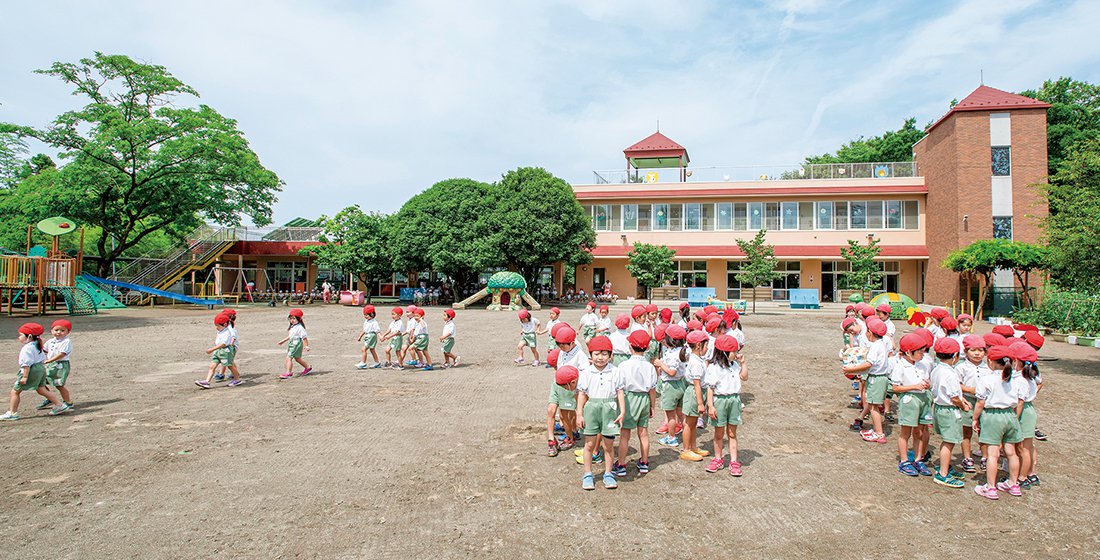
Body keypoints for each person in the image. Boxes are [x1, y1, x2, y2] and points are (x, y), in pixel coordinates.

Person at [972, 345, 1025, 500]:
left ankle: (990, 487)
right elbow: (1018, 401)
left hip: (992, 415)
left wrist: (975, 418)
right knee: (1011, 452)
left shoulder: (987, 379)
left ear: (990, 361)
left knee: (993, 454)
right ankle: (1014, 484)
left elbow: (980, 402)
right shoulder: (1015, 380)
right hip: (1010, 415)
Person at [576, 335, 625, 491]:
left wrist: (622, 411)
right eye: (596, 353)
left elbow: (620, 392)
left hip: (610, 409)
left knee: (608, 445)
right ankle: (588, 474)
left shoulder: (616, 371)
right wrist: (579, 414)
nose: (600, 357)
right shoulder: (586, 372)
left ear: (610, 355)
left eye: (605, 354)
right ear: (591, 354)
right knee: (589, 444)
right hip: (591, 408)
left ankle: (608, 473)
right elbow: (582, 394)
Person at [612, 330, 658, 476]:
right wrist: (652, 405)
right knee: (643, 432)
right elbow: (652, 389)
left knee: (625, 434)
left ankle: (621, 464)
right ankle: (644, 462)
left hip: (629, 399)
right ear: (647, 347)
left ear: (630, 346)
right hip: (644, 398)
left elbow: (618, 386)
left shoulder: (624, 366)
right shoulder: (650, 367)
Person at [2, 323, 70, 420]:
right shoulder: (37, 345)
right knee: (41, 389)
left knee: (15, 391)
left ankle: (12, 413)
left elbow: (26, 364)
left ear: (29, 336)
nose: (19, 337)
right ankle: (60, 405)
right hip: (40, 369)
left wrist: (24, 376)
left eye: (21, 335)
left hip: (31, 370)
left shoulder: (27, 348)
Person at [703, 334, 748, 476]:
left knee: (732, 433)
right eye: (735, 351)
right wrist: (710, 406)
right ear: (725, 352)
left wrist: (743, 363)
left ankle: (734, 461)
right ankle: (718, 458)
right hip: (720, 401)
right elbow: (710, 388)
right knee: (718, 433)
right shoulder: (714, 368)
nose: (737, 353)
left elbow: (744, 377)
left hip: (734, 400)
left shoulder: (735, 366)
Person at [929, 337, 970, 488]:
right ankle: (943, 473)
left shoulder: (936, 370)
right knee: (949, 441)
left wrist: (961, 399)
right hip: (949, 409)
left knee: (947, 440)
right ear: (955, 356)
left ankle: (945, 467)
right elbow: (954, 397)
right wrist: (962, 405)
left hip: (939, 406)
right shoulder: (950, 373)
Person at [892, 332, 934, 477]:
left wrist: (926, 385)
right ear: (909, 352)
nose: (923, 354)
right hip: (909, 400)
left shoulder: (922, 365)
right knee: (905, 433)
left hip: (922, 399)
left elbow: (925, 381)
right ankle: (904, 460)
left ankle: (918, 458)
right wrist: (914, 387)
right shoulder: (900, 367)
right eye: (920, 352)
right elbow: (895, 387)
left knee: (920, 431)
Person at [843, 318, 890, 444]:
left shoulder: (875, 346)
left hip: (876, 378)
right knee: (872, 404)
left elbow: (869, 364)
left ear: (871, 332)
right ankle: (876, 429)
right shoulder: (881, 343)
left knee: (874, 407)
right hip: (881, 377)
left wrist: (852, 369)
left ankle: (879, 433)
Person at [955, 334, 990, 472]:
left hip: (984, 402)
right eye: (973, 350)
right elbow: (956, 384)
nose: (977, 353)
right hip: (968, 401)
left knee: (984, 431)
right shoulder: (961, 367)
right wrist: (970, 389)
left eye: (980, 350)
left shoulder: (988, 368)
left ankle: (985, 457)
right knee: (966, 430)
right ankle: (967, 457)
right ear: (966, 352)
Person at [1011, 342, 1042, 489]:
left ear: (1016, 361)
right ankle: (1031, 473)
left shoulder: (1020, 380)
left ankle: (1022, 477)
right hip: (1030, 411)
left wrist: (1014, 420)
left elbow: (1020, 403)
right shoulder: (1031, 377)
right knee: (1029, 447)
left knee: (1022, 448)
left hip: (1023, 412)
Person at [680, 329, 711, 461]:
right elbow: (697, 384)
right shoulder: (696, 363)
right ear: (699, 345)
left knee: (692, 423)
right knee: (689, 423)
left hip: (696, 392)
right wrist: (700, 403)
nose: (707, 348)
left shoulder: (697, 359)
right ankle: (686, 449)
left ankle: (693, 446)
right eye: (706, 345)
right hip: (694, 393)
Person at [197, 313, 243, 388]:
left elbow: (224, 344)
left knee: (230, 366)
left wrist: (212, 349)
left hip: (225, 351)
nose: (216, 328)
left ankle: (237, 379)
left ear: (225, 324)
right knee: (212, 366)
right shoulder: (221, 330)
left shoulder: (228, 332)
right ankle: (207, 381)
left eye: (218, 326)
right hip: (218, 351)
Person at [40, 319, 75, 408]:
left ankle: (68, 401)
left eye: (62, 330)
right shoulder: (50, 341)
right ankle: (50, 397)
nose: (59, 332)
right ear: (52, 330)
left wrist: (50, 360)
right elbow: (44, 350)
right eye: (56, 330)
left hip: (60, 365)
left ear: (68, 332)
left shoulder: (66, 342)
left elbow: (62, 354)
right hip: (50, 364)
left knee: (59, 385)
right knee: (42, 382)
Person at [547, 366, 579, 457]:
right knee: (550, 410)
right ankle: (551, 440)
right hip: (560, 380)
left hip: (567, 381)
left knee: (565, 414)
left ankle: (570, 437)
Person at [277, 309, 312, 379]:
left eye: (294, 318)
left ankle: (288, 373)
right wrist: (283, 341)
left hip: (296, 344)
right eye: (290, 318)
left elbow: (304, 338)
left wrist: (306, 346)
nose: (292, 320)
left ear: (298, 319)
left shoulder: (300, 328)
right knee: (297, 358)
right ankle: (307, 367)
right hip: (292, 343)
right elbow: (290, 336)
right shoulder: (293, 327)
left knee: (289, 358)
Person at [356, 305, 382, 370]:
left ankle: (363, 363)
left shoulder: (374, 322)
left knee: (364, 349)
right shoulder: (366, 321)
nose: (365, 316)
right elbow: (364, 330)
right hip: (367, 336)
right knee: (372, 349)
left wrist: (380, 337)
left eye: (367, 315)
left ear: (372, 314)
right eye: (364, 315)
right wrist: (360, 336)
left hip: (371, 336)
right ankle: (377, 362)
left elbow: (377, 331)